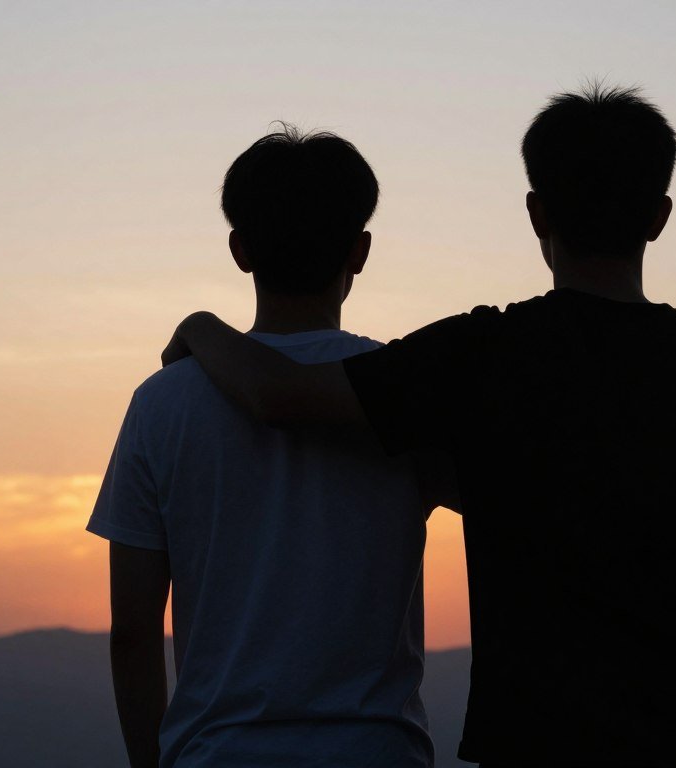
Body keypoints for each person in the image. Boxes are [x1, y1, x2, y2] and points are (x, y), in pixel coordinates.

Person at [163, 85, 676, 768]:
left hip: (535, 743)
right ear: (659, 217)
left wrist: (198, 328)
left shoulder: (480, 355)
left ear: (537, 214)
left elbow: (279, 396)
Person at [88, 126, 446, 768]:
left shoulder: (162, 404)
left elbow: (133, 630)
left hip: (217, 753)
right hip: (376, 750)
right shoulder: (406, 392)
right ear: (360, 251)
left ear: (240, 249)